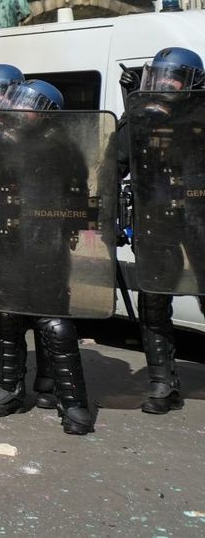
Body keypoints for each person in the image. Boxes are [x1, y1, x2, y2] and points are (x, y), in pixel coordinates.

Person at [0, 77, 95, 435]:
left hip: (45, 243)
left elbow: (78, 195)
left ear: (45, 115)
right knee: (5, 314)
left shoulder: (59, 145)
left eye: (26, 106)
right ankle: (8, 387)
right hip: (4, 240)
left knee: (53, 321)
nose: (16, 110)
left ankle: (71, 401)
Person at [116, 47, 205, 415]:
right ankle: (161, 380)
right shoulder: (141, 116)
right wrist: (131, 112)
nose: (165, 85)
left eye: (174, 78)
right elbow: (113, 163)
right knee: (153, 299)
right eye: (160, 77)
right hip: (156, 218)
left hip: (200, 217)